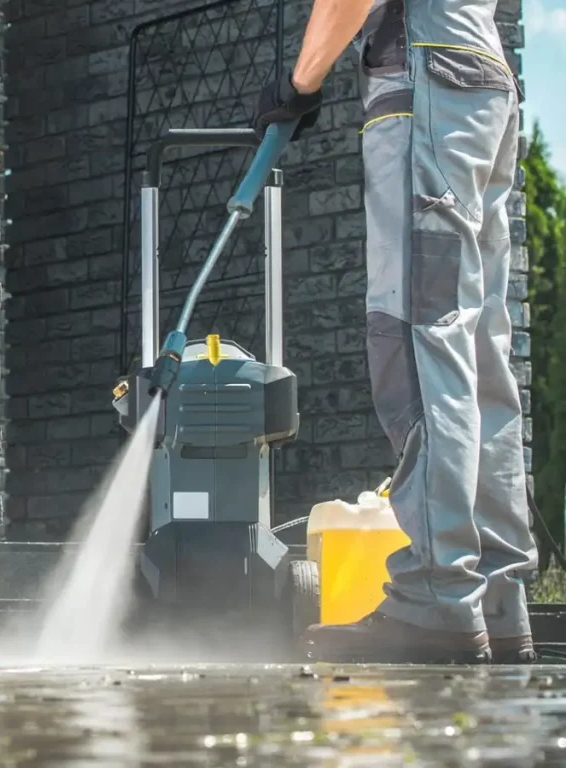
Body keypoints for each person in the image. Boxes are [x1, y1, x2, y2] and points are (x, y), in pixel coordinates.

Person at [252, 0, 538, 663]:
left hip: (425, 77)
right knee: (476, 345)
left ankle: (436, 596)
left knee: (418, 333)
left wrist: (301, 82)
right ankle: (495, 596)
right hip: (483, 80)